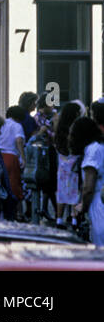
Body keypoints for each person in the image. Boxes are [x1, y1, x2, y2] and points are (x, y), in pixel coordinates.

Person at [69, 114, 104, 246]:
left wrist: (82, 206)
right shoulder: (100, 146)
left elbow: (88, 187)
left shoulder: (92, 151)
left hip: (98, 205)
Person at [54, 100, 84, 228]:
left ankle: (59, 219)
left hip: (62, 162)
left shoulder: (60, 127)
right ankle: (74, 219)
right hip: (75, 161)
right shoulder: (76, 127)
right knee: (75, 190)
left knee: (62, 190)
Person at [0, 105, 27, 207]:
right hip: (11, 156)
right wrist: (23, 158)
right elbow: (19, 140)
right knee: (14, 185)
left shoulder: (1, 123)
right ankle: (17, 212)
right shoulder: (17, 126)